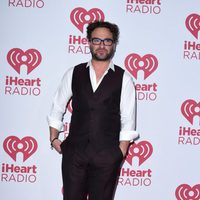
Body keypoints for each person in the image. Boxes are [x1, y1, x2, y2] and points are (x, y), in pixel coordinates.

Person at [47, 21, 138, 200]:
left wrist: (120, 152)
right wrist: (54, 138)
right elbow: (57, 107)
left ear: (114, 44)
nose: (102, 45)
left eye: (107, 41)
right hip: (74, 155)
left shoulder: (124, 79)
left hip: (107, 156)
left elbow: (128, 120)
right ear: (89, 42)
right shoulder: (74, 73)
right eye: (97, 40)